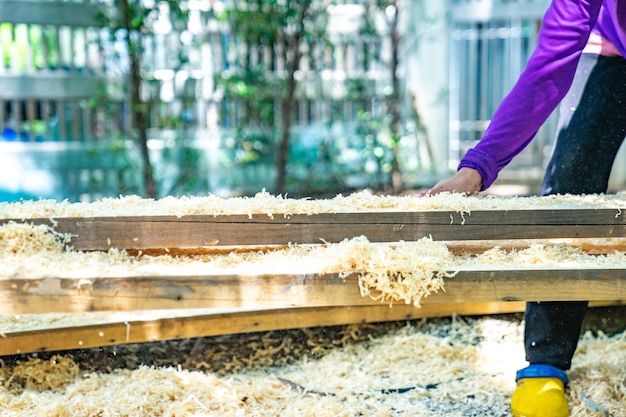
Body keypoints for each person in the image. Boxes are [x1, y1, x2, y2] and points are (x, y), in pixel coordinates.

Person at [423, 1, 626, 416]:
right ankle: (545, 363)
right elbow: (547, 69)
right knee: (571, 184)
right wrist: (477, 169)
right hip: (611, 50)